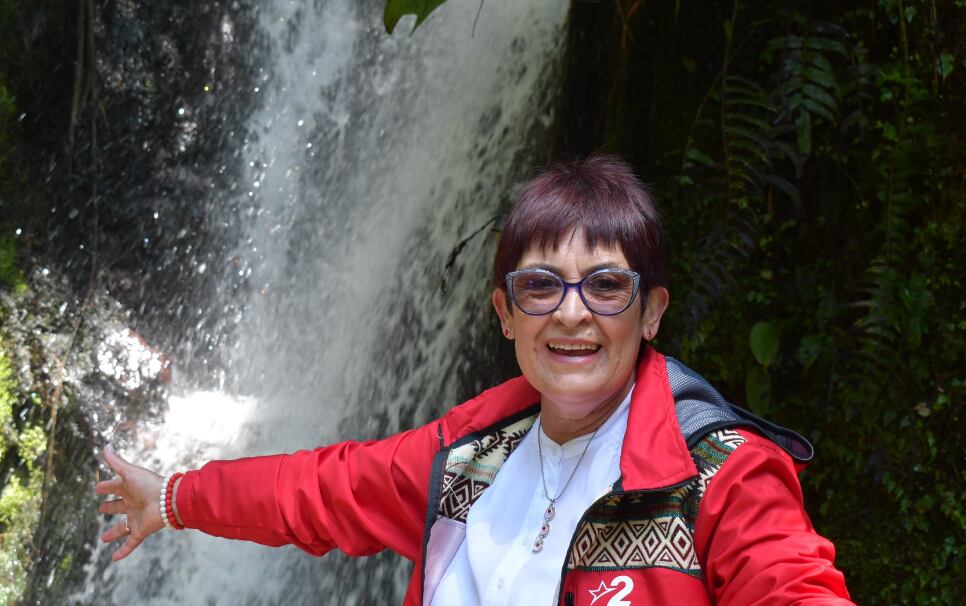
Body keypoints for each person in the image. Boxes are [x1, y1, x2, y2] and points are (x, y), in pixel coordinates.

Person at [96, 155, 854, 605]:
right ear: (506, 313)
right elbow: (321, 491)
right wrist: (171, 498)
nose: (572, 316)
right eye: (541, 287)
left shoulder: (721, 473)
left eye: (606, 287)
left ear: (651, 312)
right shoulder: (468, 454)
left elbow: (791, 581)